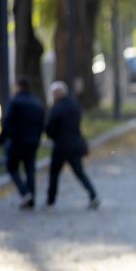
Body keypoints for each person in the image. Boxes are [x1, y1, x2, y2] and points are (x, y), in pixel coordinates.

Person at [44, 81, 99, 209]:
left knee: (54, 174)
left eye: (53, 93)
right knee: (79, 172)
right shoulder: (74, 105)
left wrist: (53, 136)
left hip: (61, 146)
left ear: (57, 94)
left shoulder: (57, 108)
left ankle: (50, 201)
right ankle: (93, 194)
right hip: (75, 144)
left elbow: (49, 127)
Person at [0, 78, 45, 209]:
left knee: (12, 167)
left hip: (17, 141)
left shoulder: (15, 102)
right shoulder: (37, 102)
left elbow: (7, 122)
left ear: (19, 87)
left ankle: (25, 193)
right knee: (30, 169)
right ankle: (31, 198)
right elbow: (42, 123)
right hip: (33, 142)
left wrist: (1, 139)